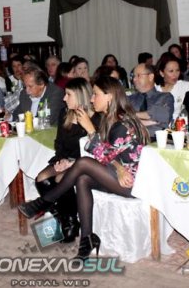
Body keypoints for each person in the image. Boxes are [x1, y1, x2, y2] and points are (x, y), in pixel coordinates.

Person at [18, 76, 149, 260]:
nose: (92, 99)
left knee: (83, 163)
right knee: (82, 178)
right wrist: (118, 167)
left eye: (95, 94)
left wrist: (91, 130)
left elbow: (104, 156)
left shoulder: (122, 123)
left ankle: (44, 201)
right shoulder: (111, 119)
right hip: (117, 175)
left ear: (109, 96)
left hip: (132, 183)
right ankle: (86, 241)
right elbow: (110, 156)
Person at [34, 78, 99, 243]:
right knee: (41, 178)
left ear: (80, 96)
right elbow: (59, 143)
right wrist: (61, 159)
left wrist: (71, 163)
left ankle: (69, 224)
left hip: (83, 163)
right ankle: (65, 217)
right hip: (65, 159)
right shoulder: (65, 113)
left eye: (68, 95)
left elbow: (93, 150)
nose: (64, 98)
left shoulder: (95, 118)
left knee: (59, 178)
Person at [128, 63, 173, 132]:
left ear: (150, 77)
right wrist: (152, 121)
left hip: (156, 137)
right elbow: (122, 118)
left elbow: (163, 116)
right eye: (133, 76)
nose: (134, 79)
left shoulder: (165, 97)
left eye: (138, 75)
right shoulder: (129, 99)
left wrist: (131, 115)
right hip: (132, 137)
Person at [154, 53, 189, 120]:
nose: (175, 74)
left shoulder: (184, 86)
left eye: (177, 70)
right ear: (161, 73)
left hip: (179, 124)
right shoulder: (154, 89)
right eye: (171, 71)